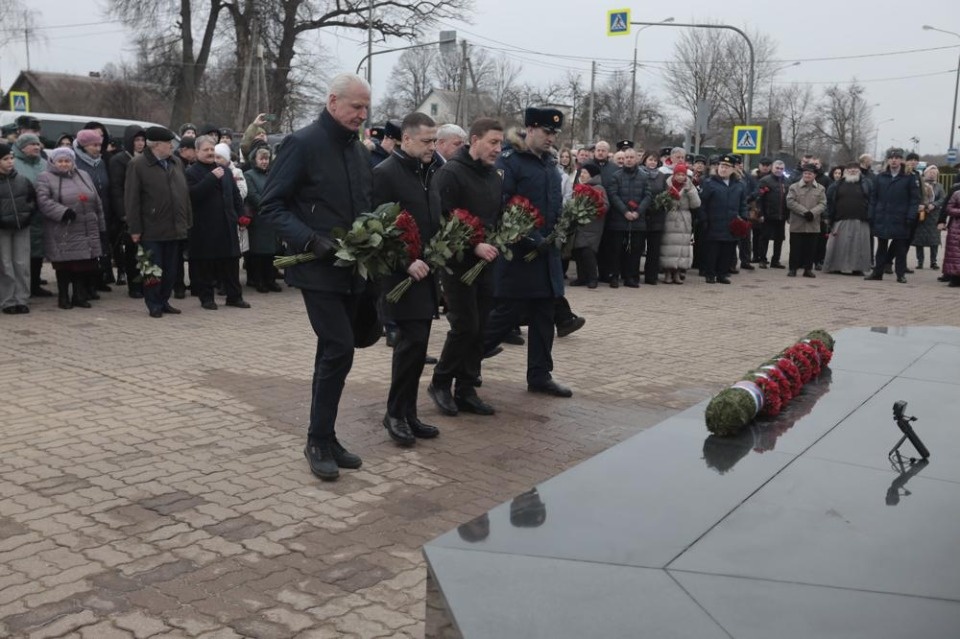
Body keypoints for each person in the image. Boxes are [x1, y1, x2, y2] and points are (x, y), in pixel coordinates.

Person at [259, 73, 373, 481]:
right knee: (339, 347)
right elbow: (270, 206)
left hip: (352, 268)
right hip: (317, 268)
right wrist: (312, 240)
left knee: (336, 351)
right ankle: (317, 440)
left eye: (365, 108)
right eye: (356, 107)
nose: (362, 114)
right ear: (332, 102)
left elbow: (364, 206)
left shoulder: (358, 151)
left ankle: (325, 434)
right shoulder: (303, 143)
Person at [484, 107, 572, 398]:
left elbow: (554, 204)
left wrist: (559, 231)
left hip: (546, 255)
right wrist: (531, 238)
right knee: (505, 316)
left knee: (544, 316)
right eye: (547, 132)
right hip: (519, 255)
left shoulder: (549, 163)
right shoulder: (511, 161)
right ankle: (463, 363)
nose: (551, 138)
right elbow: (505, 203)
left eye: (554, 133)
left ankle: (540, 374)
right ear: (530, 129)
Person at [373, 112, 442, 446]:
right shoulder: (385, 174)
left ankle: (409, 412)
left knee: (418, 348)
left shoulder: (428, 171)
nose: (433, 146)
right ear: (407, 139)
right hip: (401, 277)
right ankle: (395, 414)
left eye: (435, 140)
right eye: (427, 141)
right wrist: (405, 261)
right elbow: (378, 228)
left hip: (426, 273)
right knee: (408, 347)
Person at [428, 118, 504, 417]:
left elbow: (493, 218)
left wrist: (502, 237)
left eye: (500, 143)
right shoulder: (451, 173)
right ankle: (441, 382)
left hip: (486, 263)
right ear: (474, 140)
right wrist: (473, 245)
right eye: (492, 142)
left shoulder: (494, 177)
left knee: (481, 326)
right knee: (464, 326)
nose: (498, 148)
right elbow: (444, 218)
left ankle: (467, 388)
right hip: (457, 263)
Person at [125, 127, 192, 317]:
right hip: (151, 228)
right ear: (155, 145)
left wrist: (187, 220)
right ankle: (153, 302)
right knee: (153, 269)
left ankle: (163, 301)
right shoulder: (138, 164)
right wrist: (135, 228)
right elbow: (132, 199)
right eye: (168, 143)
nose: (172, 146)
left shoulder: (176, 162)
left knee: (171, 270)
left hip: (174, 226)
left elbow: (183, 194)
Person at [36, 147, 106, 309]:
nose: (64, 164)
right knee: (65, 266)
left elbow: (96, 201)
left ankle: (79, 296)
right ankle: (63, 297)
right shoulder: (45, 178)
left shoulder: (83, 175)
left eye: (67, 161)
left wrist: (101, 225)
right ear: (53, 162)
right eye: (60, 161)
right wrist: (63, 212)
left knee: (82, 265)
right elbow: (43, 201)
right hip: (63, 229)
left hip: (85, 228)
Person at [186, 136, 250, 311]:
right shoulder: (191, 173)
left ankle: (234, 296)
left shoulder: (225, 170)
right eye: (205, 150)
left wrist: (241, 215)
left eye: (212, 149)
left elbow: (235, 196)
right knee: (206, 265)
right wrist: (211, 178)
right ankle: (206, 298)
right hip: (205, 227)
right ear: (197, 151)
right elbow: (192, 196)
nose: (209, 153)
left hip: (227, 225)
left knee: (231, 263)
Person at [865, 148, 919, 283]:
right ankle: (877, 273)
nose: (894, 160)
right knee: (881, 247)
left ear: (901, 160)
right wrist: (871, 214)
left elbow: (914, 200)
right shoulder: (880, 177)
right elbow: (873, 198)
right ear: (888, 160)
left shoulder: (909, 177)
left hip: (901, 218)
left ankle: (900, 274)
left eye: (897, 158)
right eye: (891, 158)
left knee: (900, 248)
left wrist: (911, 216)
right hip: (882, 217)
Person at [10, 132, 52, 298]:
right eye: (31, 144)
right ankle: (19, 287)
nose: (36, 147)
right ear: (21, 147)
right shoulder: (14, 164)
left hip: (42, 216)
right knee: (20, 254)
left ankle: (35, 284)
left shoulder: (44, 163)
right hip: (22, 215)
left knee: (37, 252)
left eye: (37, 144)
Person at [73, 128, 112, 297]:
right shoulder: (75, 162)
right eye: (94, 145)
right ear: (83, 146)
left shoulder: (101, 162)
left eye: (100, 145)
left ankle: (95, 284)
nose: (98, 149)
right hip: (82, 213)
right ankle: (82, 288)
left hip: (100, 212)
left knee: (98, 250)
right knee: (84, 253)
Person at [108, 125, 147, 297]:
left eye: (142, 140)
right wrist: (123, 213)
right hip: (129, 212)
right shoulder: (119, 160)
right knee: (132, 251)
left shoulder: (146, 158)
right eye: (137, 140)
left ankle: (146, 282)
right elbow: (116, 188)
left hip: (146, 211)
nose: (140, 144)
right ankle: (134, 285)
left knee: (145, 251)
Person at [605, 148, 651, 288]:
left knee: (635, 250)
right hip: (619, 219)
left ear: (637, 159)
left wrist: (638, 212)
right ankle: (614, 276)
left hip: (638, 220)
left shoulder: (644, 176)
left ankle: (631, 277)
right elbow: (613, 195)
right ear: (623, 159)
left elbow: (648, 195)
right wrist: (625, 211)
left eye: (632, 157)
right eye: (627, 157)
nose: (629, 160)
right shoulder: (616, 176)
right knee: (616, 250)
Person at [698, 154, 747, 284]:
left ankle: (722, 274)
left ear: (733, 169)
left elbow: (743, 204)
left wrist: (744, 218)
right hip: (713, 223)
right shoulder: (709, 183)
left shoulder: (739, 185)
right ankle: (710, 274)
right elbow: (702, 203)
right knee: (712, 251)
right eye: (721, 166)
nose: (723, 169)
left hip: (731, 224)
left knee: (727, 251)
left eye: (727, 167)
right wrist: (704, 219)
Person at [0, 142, 36, 314]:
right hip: (2, 229)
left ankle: (22, 298)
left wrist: (27, 215)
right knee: (5, 264)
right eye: (5, 159)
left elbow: (32, 200)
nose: (10, 162)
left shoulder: (22, 180)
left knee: (21, 264)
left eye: (11, 158)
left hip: (22, 226)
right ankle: (7, 301)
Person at [823, 162, 873, 275]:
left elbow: (872, 200)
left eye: (855, 169)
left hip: (861, 219)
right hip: (840, 218)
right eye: (850, 169)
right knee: (838, 245)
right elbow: (828, 201)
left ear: (859, 171)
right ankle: (835, 267)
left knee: (859, 246)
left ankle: (858, 268)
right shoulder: (837, 185)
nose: (852, 171)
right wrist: (827, 216)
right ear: (845, 171)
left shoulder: (867, 184)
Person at [243, 147, 280, 293]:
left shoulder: (271, 174)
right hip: (258, 218)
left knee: (271, 251)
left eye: (267, 159)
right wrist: (267, 204)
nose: (265, 162)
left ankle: (270, 279)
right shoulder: (249, 175)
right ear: (255, 160)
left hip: (271, 218)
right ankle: (258, 280)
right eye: (262, 159)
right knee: (258, 251)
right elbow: (252, 195)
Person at [660, 162, 700, 284]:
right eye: (678, 174)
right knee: (668, 246)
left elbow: (696, 204)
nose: (680, 177)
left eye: (683, 174)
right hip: (670, 217)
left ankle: (677, 272)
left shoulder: (689, 186)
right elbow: (662, 202)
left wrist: (691, 192)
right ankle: (667, 272)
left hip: (684, 218)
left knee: (682, 248)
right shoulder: (667, 185)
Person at [569, 163, 608, 288]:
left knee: (588, 252)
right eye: (581, 173)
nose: (582, 175)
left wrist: (590, 211)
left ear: (592, 175)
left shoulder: (599, 188)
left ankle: (592, 278)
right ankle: (582, 278)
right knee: (579, 251)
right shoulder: (581, 187)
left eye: (585, 173)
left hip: (592, 225)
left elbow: (605, 205)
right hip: (580, 225)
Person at [786, 164, 827, 278]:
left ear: (815, 175)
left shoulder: (820, 188)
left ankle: (808, 269)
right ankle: (793, 269)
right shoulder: (794, 187)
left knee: (810, 248)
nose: (807, 175)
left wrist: (812, 213)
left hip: (813, 223)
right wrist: (804, 212)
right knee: (795, 247)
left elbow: (823, 204)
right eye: (805, 173)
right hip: (797, 222)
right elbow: (790, 202)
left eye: (810, 174)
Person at [756, 159, 789, 269]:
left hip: (781, 215)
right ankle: (762, 259)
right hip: (768, 215)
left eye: (781, 169)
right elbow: (759, 198)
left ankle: (776, 260)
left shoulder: (786, 181)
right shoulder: (765, 181)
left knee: (779, 239)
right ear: (772, 168)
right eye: (777, 168)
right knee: (764, 238)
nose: (779, 170)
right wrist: (760, 213)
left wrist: (788, 215)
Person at [912, 165, 945, 270]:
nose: (932, 174)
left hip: (934, 216)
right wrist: (922, 205)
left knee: (934, 240)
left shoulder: (939, 186)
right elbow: (916, 196)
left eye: (935, 173)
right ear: (925, 173)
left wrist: (934, 204)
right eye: (930, 172)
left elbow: (943, 199)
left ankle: (933, 262)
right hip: (921, 215)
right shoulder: (920, 184)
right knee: (919, 240)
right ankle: (920, 261)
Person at [942, 189, 960, 286]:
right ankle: (955, 278)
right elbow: (948, 208)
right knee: (954, 254)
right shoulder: (957, 193)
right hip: (956, 228)